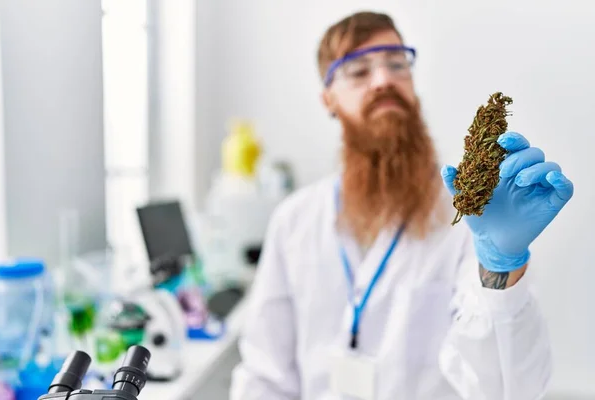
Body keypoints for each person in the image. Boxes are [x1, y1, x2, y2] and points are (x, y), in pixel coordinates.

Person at [230, 11, 574, 400]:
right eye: (358, 70)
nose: (383, 80)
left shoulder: (468, 220)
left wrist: (500, 268)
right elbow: (264, 377)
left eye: (397, 64)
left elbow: (508, 388)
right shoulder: (294, 222)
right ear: (328, 99)